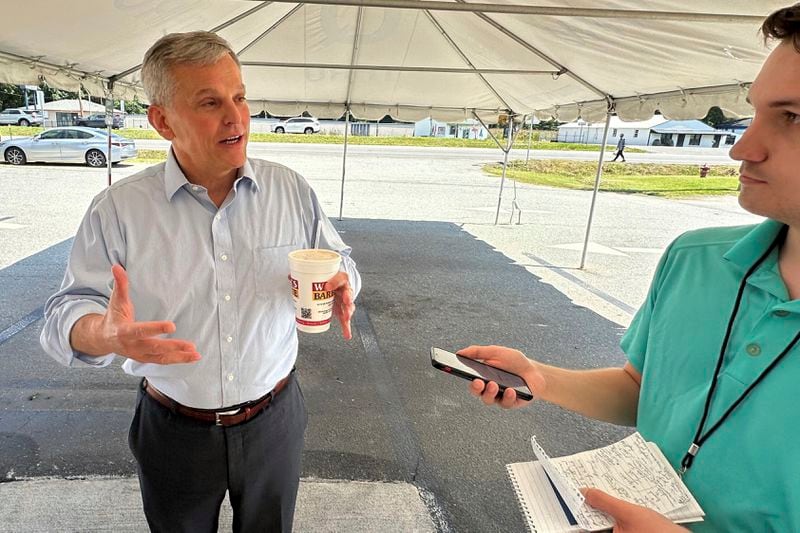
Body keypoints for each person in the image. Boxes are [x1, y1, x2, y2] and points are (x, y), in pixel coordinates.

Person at [459, 4, 800, 532]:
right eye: (754, 113)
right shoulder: (695, 261)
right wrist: (539, 378)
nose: (741, 147)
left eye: (792, 118)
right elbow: (644, 391)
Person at [40, 31, 361, 533]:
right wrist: (102, 334)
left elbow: (338, 259)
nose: (235, 117)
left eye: (239, 97)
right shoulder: (120, 210)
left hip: (274, 420)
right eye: (210, 102)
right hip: (173, 430)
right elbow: (64, 313)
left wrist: (345, 280)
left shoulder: (291, 191)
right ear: (163, 120)